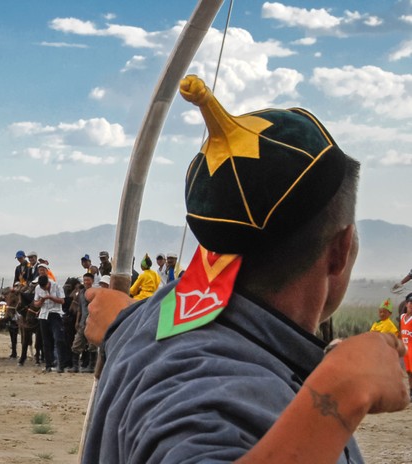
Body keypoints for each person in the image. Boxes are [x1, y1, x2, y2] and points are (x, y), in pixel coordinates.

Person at [81, 75, 408, 462]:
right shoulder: (216, 388)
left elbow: (135, 324)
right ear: (340, 249)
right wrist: (339, 392)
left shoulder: (156, 319)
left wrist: (121, 320)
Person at [34, 274, 66, 373]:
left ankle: (61, 364)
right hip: (43, 315)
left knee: (58, 339)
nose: (44, 288)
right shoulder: (38, 288)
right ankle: (48, 364)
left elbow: (62, 301)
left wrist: (51, 297)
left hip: (55, 313)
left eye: (46, 286)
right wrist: (42, 300)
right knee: (46, 341)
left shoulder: (57, 286)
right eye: (42, 287)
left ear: (48, 282)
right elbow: (35, 304)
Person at [71, 272, 98, 373]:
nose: (86, 282)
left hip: (93, 322)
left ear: (92, 281)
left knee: (92, 345)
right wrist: (77, 321)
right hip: (83, 322)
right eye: (85, 280)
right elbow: (79, 308)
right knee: (76, 343)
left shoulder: (96, 292)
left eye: (88, 280)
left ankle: (91, 367)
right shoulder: (81, 292)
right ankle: (75, 367)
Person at [400, 293, 412, 398]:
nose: (411, 305)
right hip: (405, 348)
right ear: (406, 304)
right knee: (408, 371)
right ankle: (411, 391)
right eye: (410, 303)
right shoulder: (402, 317)